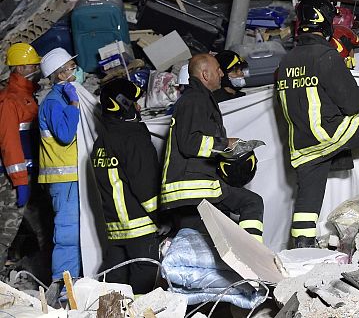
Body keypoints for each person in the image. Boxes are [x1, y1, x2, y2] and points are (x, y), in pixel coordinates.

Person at [275, 0, 359, 248]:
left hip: (301, 147)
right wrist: (344, 71)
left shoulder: (285, 62)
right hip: (329, 133)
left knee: (306, 205)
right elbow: (353, 103)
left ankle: (301, 251)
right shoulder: (325, 55)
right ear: (324, 21)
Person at [159, 54, 264, 241]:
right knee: (248, 205)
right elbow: (189, 143)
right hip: (193, 190)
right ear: (205, 74)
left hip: (201, 188)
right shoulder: (195, 99)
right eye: (218, 70)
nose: (222, 73)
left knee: (249, 205)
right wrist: (226, 144)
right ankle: (251, 254)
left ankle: (249, 253)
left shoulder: (199, 98)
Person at [91, 79, 161, 294]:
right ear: (123, 104)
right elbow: (146, 186)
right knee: (142, 290)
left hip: (115, 231)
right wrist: (163, 218)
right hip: (141, 228)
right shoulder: (133, 138)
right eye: (135, 102)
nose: (139, 107)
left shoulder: (101, 142)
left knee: (115, 290)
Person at [37, 47, 82, 281]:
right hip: (62, 180)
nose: (76, 71)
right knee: (67, 234)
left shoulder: (61, 98)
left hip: (70, 178)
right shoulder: (54, 102)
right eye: (72, 68)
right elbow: (64, 135)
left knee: (75, 232)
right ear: (61, 74)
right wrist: (74, 105)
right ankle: (64, 288)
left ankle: (73, 283)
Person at [0, 43, 41, 269]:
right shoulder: (9, 101)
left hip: (32, 175)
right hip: (13, 180)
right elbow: (10, 144)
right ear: (22, 67)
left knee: (43, 229)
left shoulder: (27, 96)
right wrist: (20, 182)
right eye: (34, 64)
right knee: (4, 234)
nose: (37, 67)